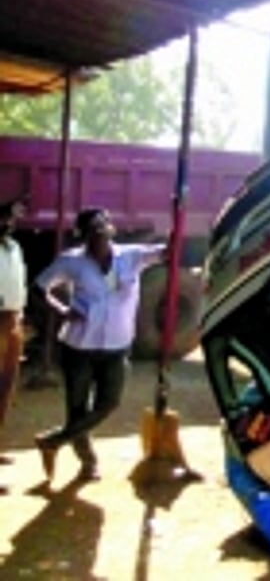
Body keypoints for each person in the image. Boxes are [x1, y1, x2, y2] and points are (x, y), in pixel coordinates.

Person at [33, 208, 166, 482]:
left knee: (109, 403)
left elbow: (167, 253)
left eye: (103, 231)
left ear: (111, 231)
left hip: (117, 346)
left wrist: (177, 226)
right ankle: (88, 463)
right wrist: (62, 310)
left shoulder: (132, 256)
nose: (99, 238)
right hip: (78, 347)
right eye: (93, 233)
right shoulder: (71, 262)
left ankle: (53, 441)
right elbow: (39, 287)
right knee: (78, 409)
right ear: (84, 237)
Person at [0, 201, 28, 495]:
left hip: (12, 321)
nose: (8, 223)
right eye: (4, 218)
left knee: (5, 390)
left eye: (11, 219)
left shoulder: (14, 249)